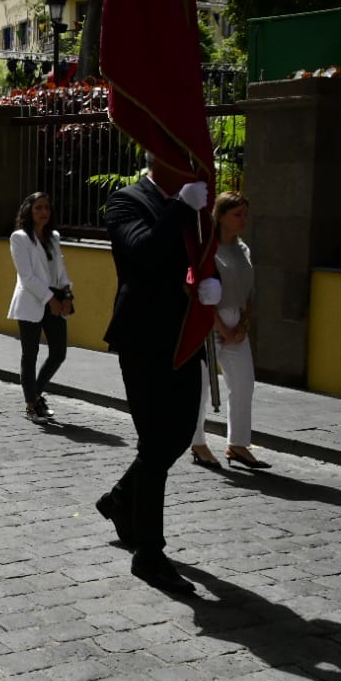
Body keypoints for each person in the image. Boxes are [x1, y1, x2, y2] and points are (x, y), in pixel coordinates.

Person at [97, 158, 222, 596]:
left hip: (185, 337)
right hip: (143, 339)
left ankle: (119, 499)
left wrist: (214, 283)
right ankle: (149, 553)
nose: (193, 170)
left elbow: (201, 254)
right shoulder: (125, 202)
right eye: (183, 162)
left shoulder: (192, 209)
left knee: (181, 434)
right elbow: (144, 254)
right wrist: (181, 209)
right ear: (157, 160)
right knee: (154, 444)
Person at [189, 193, 268, 469]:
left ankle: (238, 444)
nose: (243, 219)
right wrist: (222, 327)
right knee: (202, 386)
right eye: (237, 214)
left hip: (237, 323)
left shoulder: (243, 249)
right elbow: (200, 291)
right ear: (221, 216)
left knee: (244, 382)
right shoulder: (207, 249)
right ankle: (198, 442)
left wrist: (243, 323)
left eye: (245, 213)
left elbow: (249, 289)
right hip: (210, 323)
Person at [7, 191, 73, 423]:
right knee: (30, 354)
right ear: (28, 211)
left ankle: (35, 393)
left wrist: (66, 295)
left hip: (54, 300)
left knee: (59, 352)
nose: (44, 212)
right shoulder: (19, 238)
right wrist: (50, 300)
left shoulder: (53, 236)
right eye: (38, 208)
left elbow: (60, 271)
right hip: (31, 302)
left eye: (46, 207)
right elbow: (27, 277)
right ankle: (31, 405)